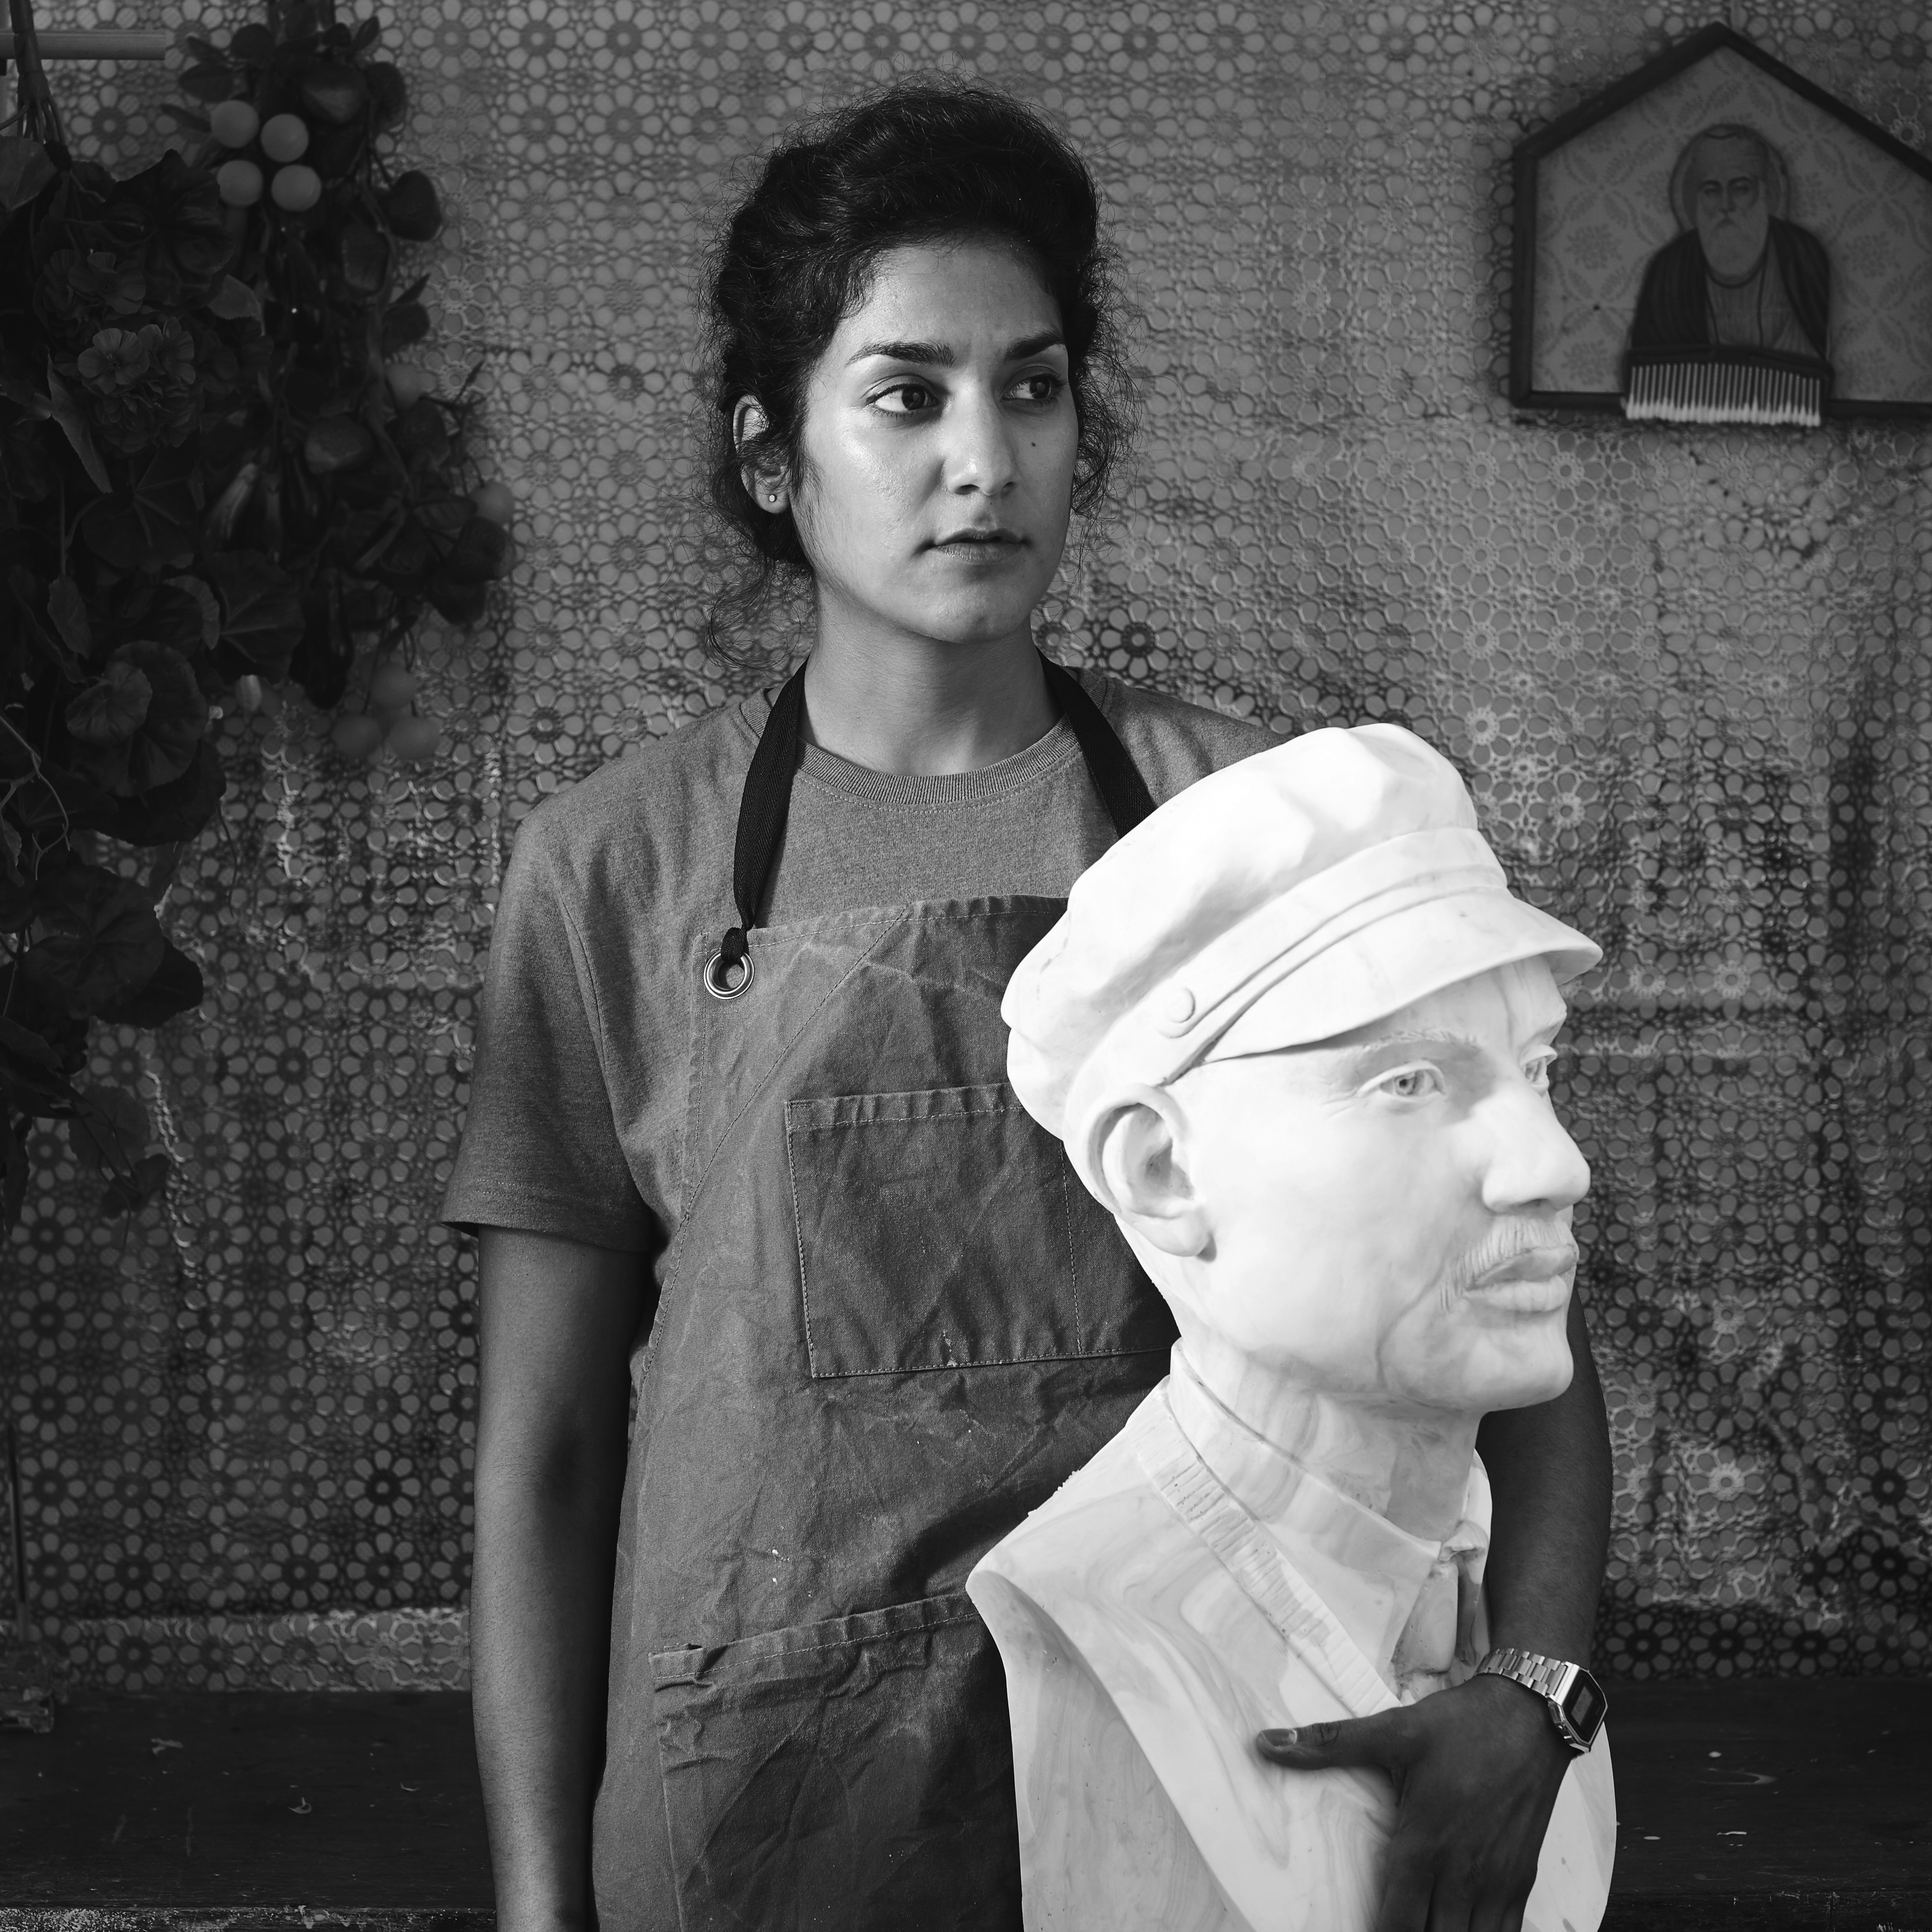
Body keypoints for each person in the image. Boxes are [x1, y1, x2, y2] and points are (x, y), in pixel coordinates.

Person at [446, 81, 1614, 1932]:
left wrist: (1533, 1694)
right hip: (757, 1809)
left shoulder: (1254, 826)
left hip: (1213, 1782)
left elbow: (1503, 1317)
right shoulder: (612, 869)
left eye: (1031, 383)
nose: (979, 455)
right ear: (772, 455)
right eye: (904, 392)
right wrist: (531, 1900)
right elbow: (549, 1448)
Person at [968, 725, 1615, 1931]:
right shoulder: (1115, 1624)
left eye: (1535, 1066)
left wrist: (1536, 1678)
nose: (1553, 1165)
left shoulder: (1495, 1575)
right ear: (1162, 1169)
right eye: (1409, 1081)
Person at [1628, 122, 1829, 363]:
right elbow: (1651, 370)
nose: (1725, 205)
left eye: (1740, 189)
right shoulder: (1670, 270)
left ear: (1765, 192)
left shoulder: (1803, 257)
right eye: (1711, 191)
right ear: (1696, 199)